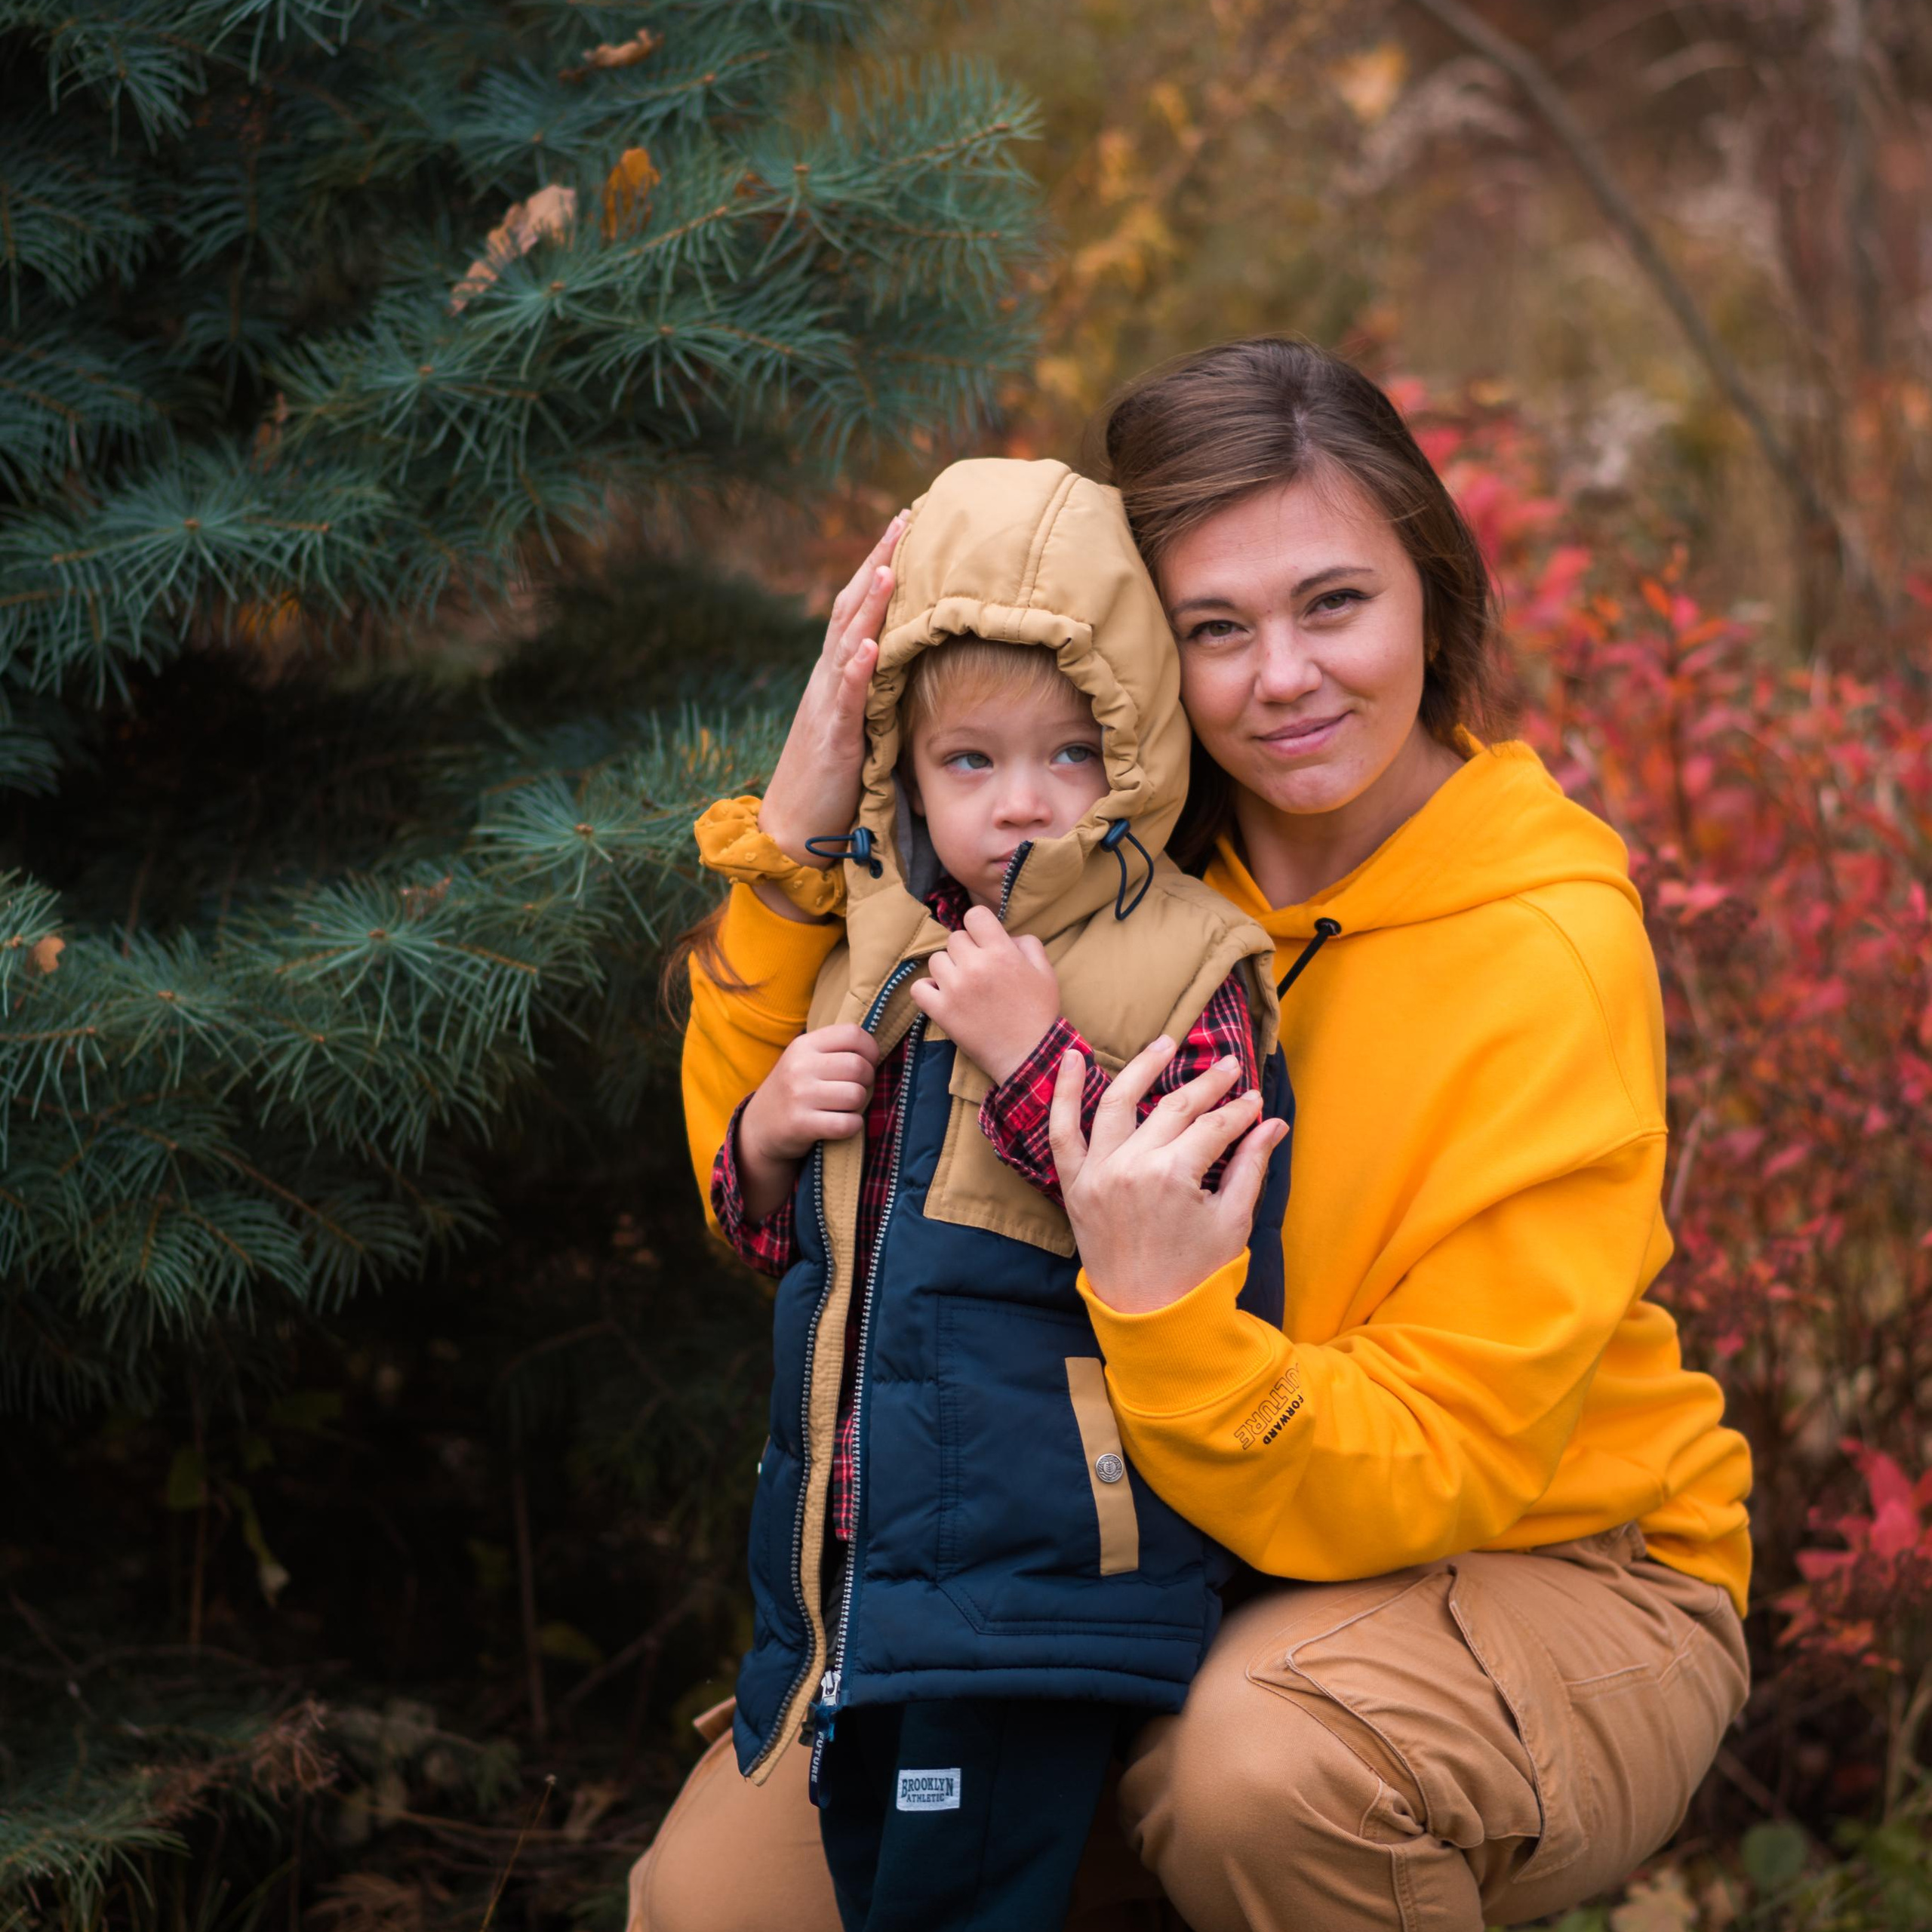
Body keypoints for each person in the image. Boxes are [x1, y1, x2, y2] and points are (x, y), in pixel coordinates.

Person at [633, 338, 1754, 1932]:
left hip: (1542, 1554)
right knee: (712, 1901)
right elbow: (777, 1183)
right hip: (1119, 1555)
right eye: (1212, 630)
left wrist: (1163, 1317)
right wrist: (794, 834)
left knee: (1254, 1776)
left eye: (1332, 603)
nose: (1280, 676)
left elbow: (1437, 1454)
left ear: (1430, 589)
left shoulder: (1543, 944)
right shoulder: (1096, 871)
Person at [688, 455, 1290, 1932]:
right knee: (882, 1891)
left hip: (1033, 1584)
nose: (1018, 803)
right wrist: (765, 1134)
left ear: (1137, 749)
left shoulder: (1180, 963)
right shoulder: (881, 944)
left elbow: (1203, 1219)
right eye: (969, 762)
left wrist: (1032, 1058)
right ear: (904, 764)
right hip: (863, 1579)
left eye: (1068, 756)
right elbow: (803, 1248)